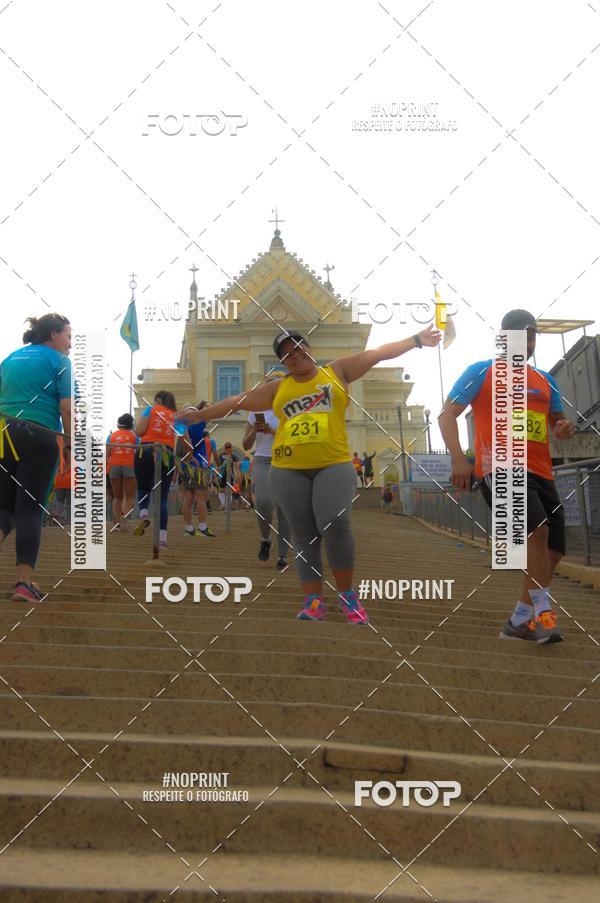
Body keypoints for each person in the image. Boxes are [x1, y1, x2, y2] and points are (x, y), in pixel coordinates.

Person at [178, 324, 441, 623]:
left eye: (298, 347)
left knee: (335, 522)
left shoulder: (336, 372)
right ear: (283, 361)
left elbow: (377, 354)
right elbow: (236, 402)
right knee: (304, 535)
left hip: (334, 463)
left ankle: (347, 596)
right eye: (286, 353)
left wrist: (417, 340)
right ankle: (313, 601)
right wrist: (200, 415)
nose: (294, 354)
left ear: (309, 349)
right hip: (288, 468)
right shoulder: (278, 387)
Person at [438, 309, 575, 644]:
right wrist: (458, 459)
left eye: (531, 337)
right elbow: (447, 415)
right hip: (499, 468)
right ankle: (544, 617)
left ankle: (519, 620)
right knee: (537, 535)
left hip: (541, 471)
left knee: (554, 549)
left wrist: (563, 428)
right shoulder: (481, 372)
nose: (527, 343)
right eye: (520, 336)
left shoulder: (545, 380)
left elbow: (557, 423)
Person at [0, 314, 72, 601]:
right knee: (29, 509)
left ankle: (26, 580)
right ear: (53, 334)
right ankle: (23, 583)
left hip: (4, 434)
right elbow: (67, 408)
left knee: (3, 509)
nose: (70, 343)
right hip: (38, 434)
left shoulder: (10, 359)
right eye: (68, 335)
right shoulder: (59, 362)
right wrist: (70, 443)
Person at [242, 401, 291, 569]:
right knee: (263, 502)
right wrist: (254, 431)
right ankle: (265, 539)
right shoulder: (256, 411)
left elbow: (292, 439)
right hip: (262, 460)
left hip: (286, 460)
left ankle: (282, 555)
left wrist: (271, 431)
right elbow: (246, 445)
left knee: (285, 510)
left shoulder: (290, 409)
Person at [134, 391, 183, 548]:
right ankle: (162, 539)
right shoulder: (176, 416)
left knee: (143, 487)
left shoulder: (151, 409)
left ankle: (144, 514)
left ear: (159, 400)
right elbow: (184, 438)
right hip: (167, 454)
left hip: (146, 450)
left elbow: (139, 431)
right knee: (162, 497)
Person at [178, 405, 216, 538]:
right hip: (199, 463)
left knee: (188, 498)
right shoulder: (199, 422)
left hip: (185, 464)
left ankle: (188, 528)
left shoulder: (182, 427)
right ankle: (202, 527)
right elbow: (212, 412)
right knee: (201, 497)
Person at [107, 413, 138, 531]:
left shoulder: (111, 436)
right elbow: (139, 452)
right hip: (129, 465)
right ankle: (125, 519)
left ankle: (118, 522)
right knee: (129, 496)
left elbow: (107, 453)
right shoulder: (134, 436)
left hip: (114, 466)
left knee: (117, 496)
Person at [52, 435, 72, 527]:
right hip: (69, 479)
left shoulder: (58, 453)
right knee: (69, 502)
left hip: (59, 479)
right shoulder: (72, 452)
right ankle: (69, 522)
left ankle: (57, 513)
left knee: (59, 501)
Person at [216, 442, 240, 510]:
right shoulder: (222, 456)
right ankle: (225, 504)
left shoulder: (233, 456)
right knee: (223, 490)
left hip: (229, 474)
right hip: (224, 474)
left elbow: (236, 466)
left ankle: (226, 505)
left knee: (227, 491)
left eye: (229, 447)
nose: (228, 449)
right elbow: (219, 466)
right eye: (227, 447)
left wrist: (237, 475)